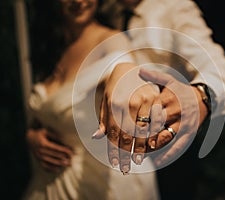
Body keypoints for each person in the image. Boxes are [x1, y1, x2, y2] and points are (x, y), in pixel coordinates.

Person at [95, 0, 225, 199]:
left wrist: (201, 95)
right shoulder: (102, 13)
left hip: (166, 142)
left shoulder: (174, 7)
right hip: (108, 151)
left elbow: (215, 64)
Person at [22, 0, 160, 199]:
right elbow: (47, 110)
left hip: (103, 182)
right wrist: (33, 135)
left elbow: (124, 69)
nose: (78, 1)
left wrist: (126, 75)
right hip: (51, 182)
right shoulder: (52, 46)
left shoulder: (111, 41)